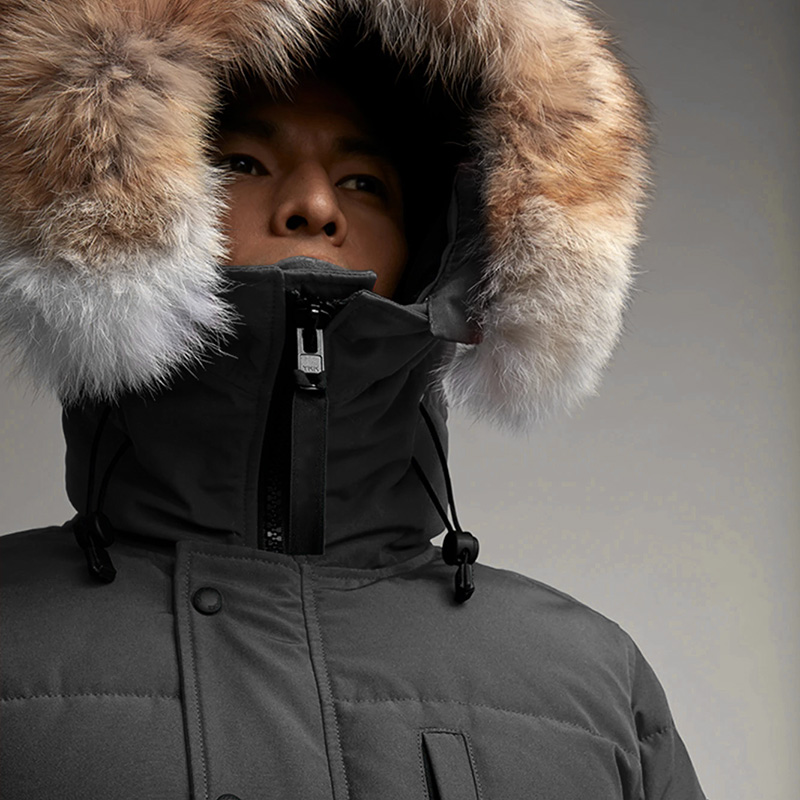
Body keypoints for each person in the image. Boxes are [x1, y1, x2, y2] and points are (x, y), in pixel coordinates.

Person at [0, 1, 706, 797]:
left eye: (364, 182)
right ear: (130, 198)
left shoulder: (594, 690)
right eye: (243, 163)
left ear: (440, 249)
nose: (315, 204)